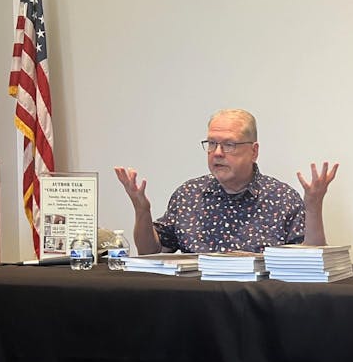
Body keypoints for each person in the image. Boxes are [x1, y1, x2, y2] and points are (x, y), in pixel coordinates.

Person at [115, 108, 338, 254]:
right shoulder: (188, 194)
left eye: (229, 145)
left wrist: (314, 206)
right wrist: (141, 210)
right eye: (212, 143)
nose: (217, 153)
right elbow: (149, 253)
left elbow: (312, 260)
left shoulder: (282, 198)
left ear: (254, 151)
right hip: (196, 312)